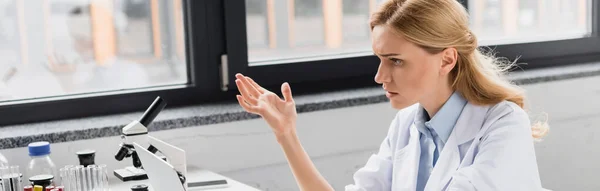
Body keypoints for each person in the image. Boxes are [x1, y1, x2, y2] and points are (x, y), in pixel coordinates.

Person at [234, 0, 549, 190]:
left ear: (447, 59)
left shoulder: (504, 126)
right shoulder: (407, 125)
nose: (379, 76)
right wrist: (286, 135)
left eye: (396, 61)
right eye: (380, 59)